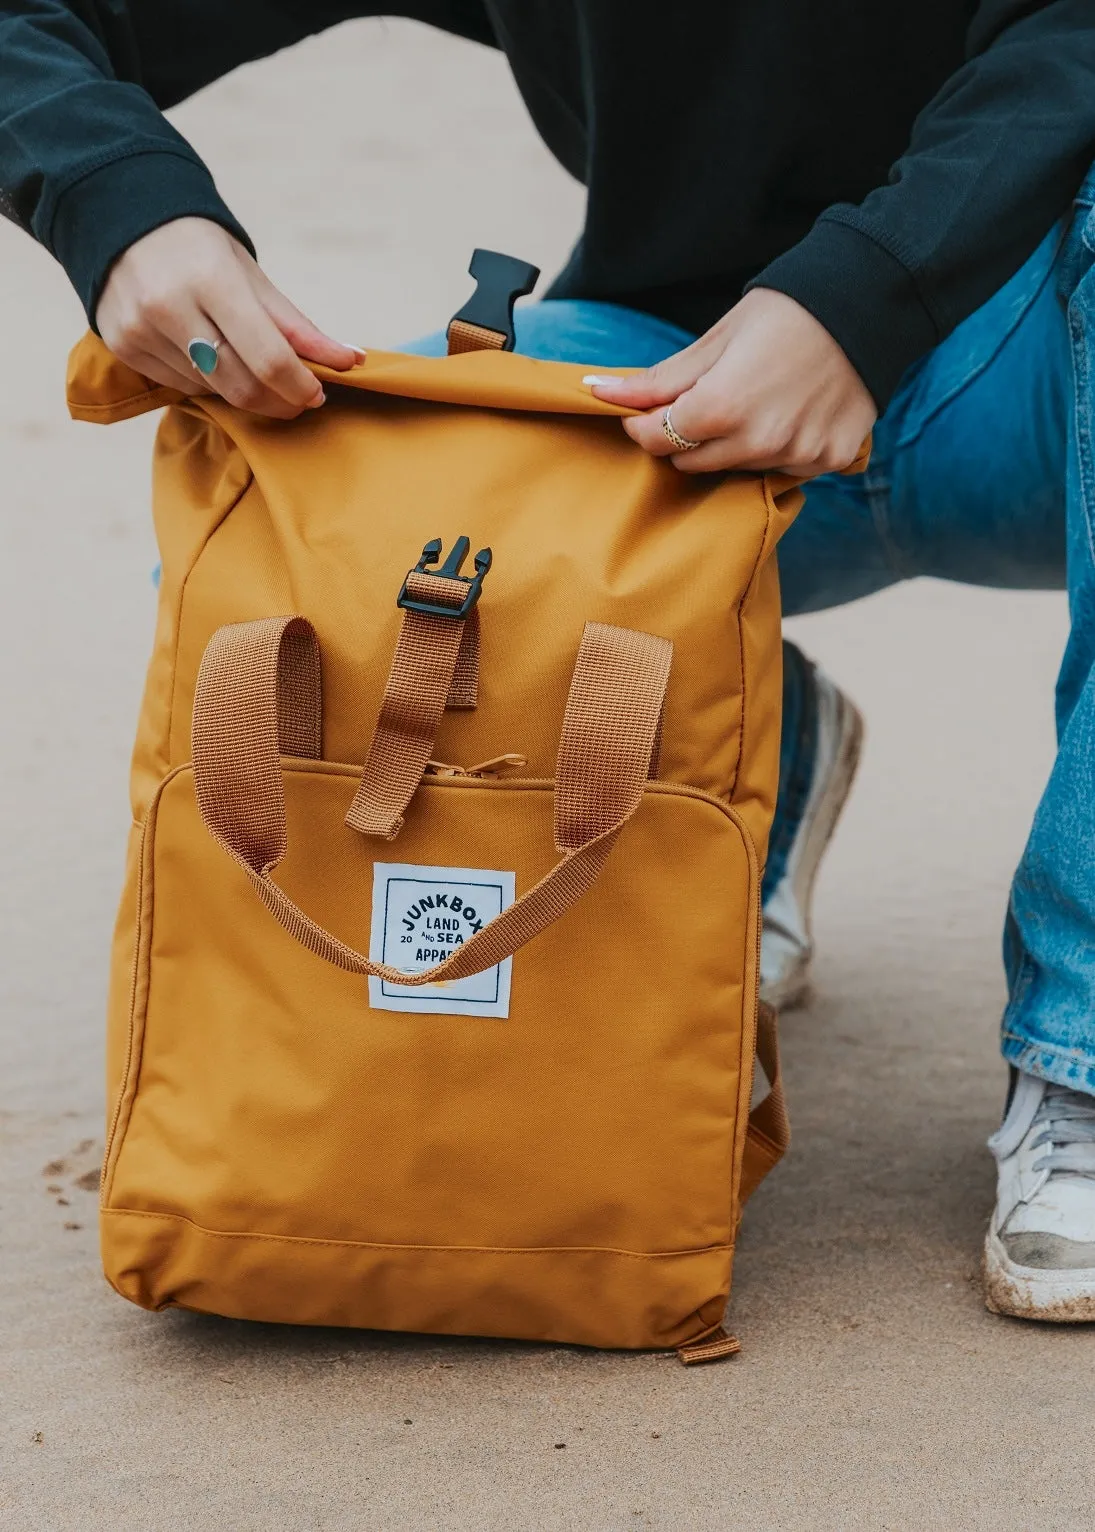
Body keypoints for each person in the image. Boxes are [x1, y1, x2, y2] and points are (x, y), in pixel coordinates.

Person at [3, 1, 1095, 1323]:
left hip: (1027, 357)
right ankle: (732, 726)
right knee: (301, 549)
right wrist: (121, 206)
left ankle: (1076, 1051)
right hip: (681, 387)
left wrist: (865, 295)